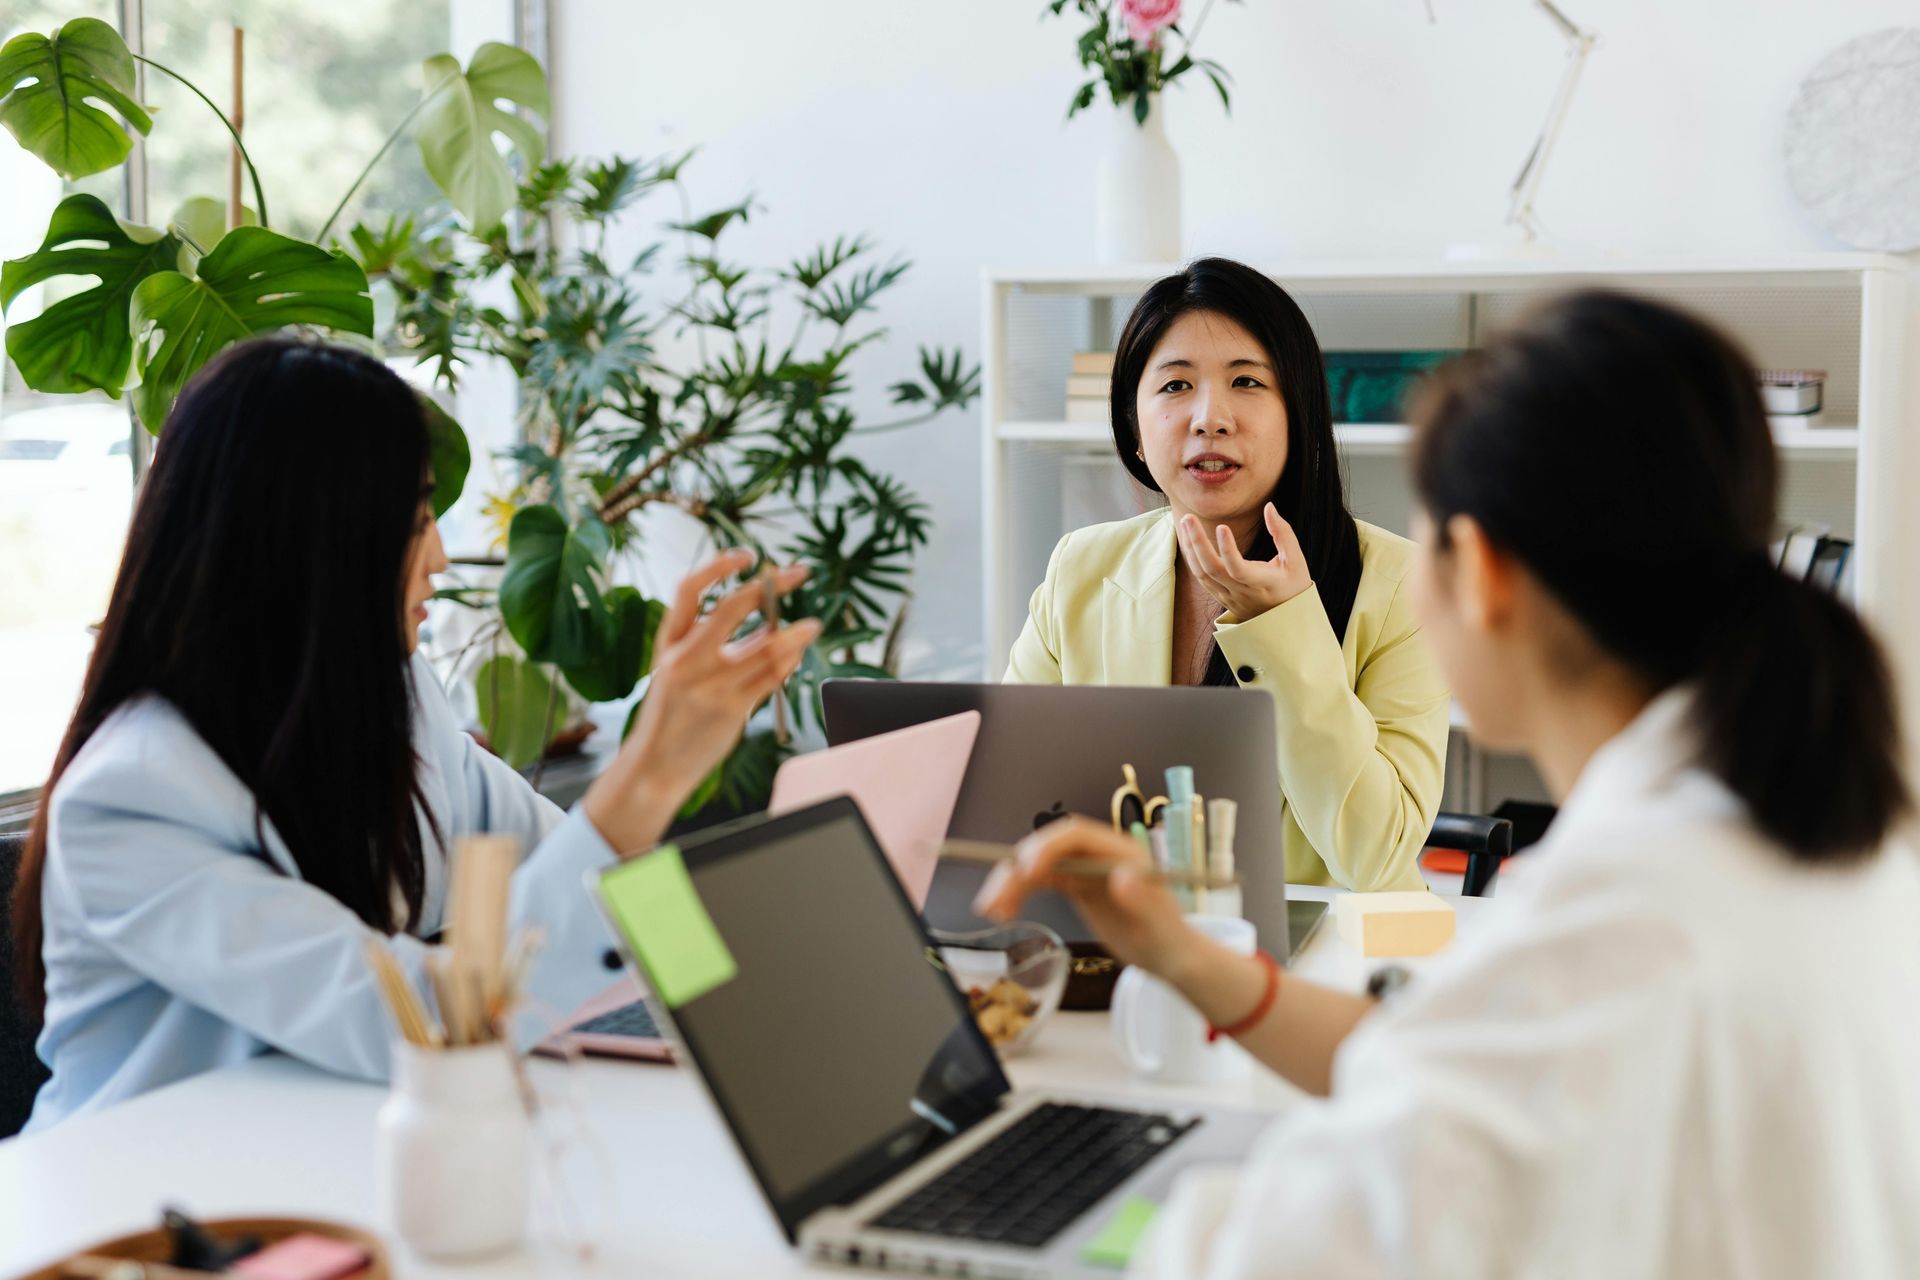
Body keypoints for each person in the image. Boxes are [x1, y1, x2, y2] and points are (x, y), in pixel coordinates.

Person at [980, 291, 1920, 1277]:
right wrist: (1187, 954)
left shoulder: (1615, 924)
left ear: (1480, 570)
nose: (1208, 412)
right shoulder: (1788, 821)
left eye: (1425, 532)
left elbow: (1269, 1249)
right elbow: (1444, 1050)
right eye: (1174, 385)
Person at [14, 339, 820, 1130]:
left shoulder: (402, 705)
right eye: (412, 521)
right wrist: (648, 777)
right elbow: (420, 1019)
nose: (438, 557)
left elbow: (576, 880)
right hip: (143, 1219)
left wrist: (732, 1001)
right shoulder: (131, 798)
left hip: (336, 1160)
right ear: (307, 543)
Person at [1004, 258, 1448, 891]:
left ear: (1298, 413)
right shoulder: (1080, 567)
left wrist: (1283, 627)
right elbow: (1008, 787)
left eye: (1247, 382)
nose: (1210, 417)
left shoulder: (1403, 584)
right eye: (1175, 386)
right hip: (1128, 943)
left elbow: (1375, 858)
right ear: (1133, 428)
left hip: (1329, 958)